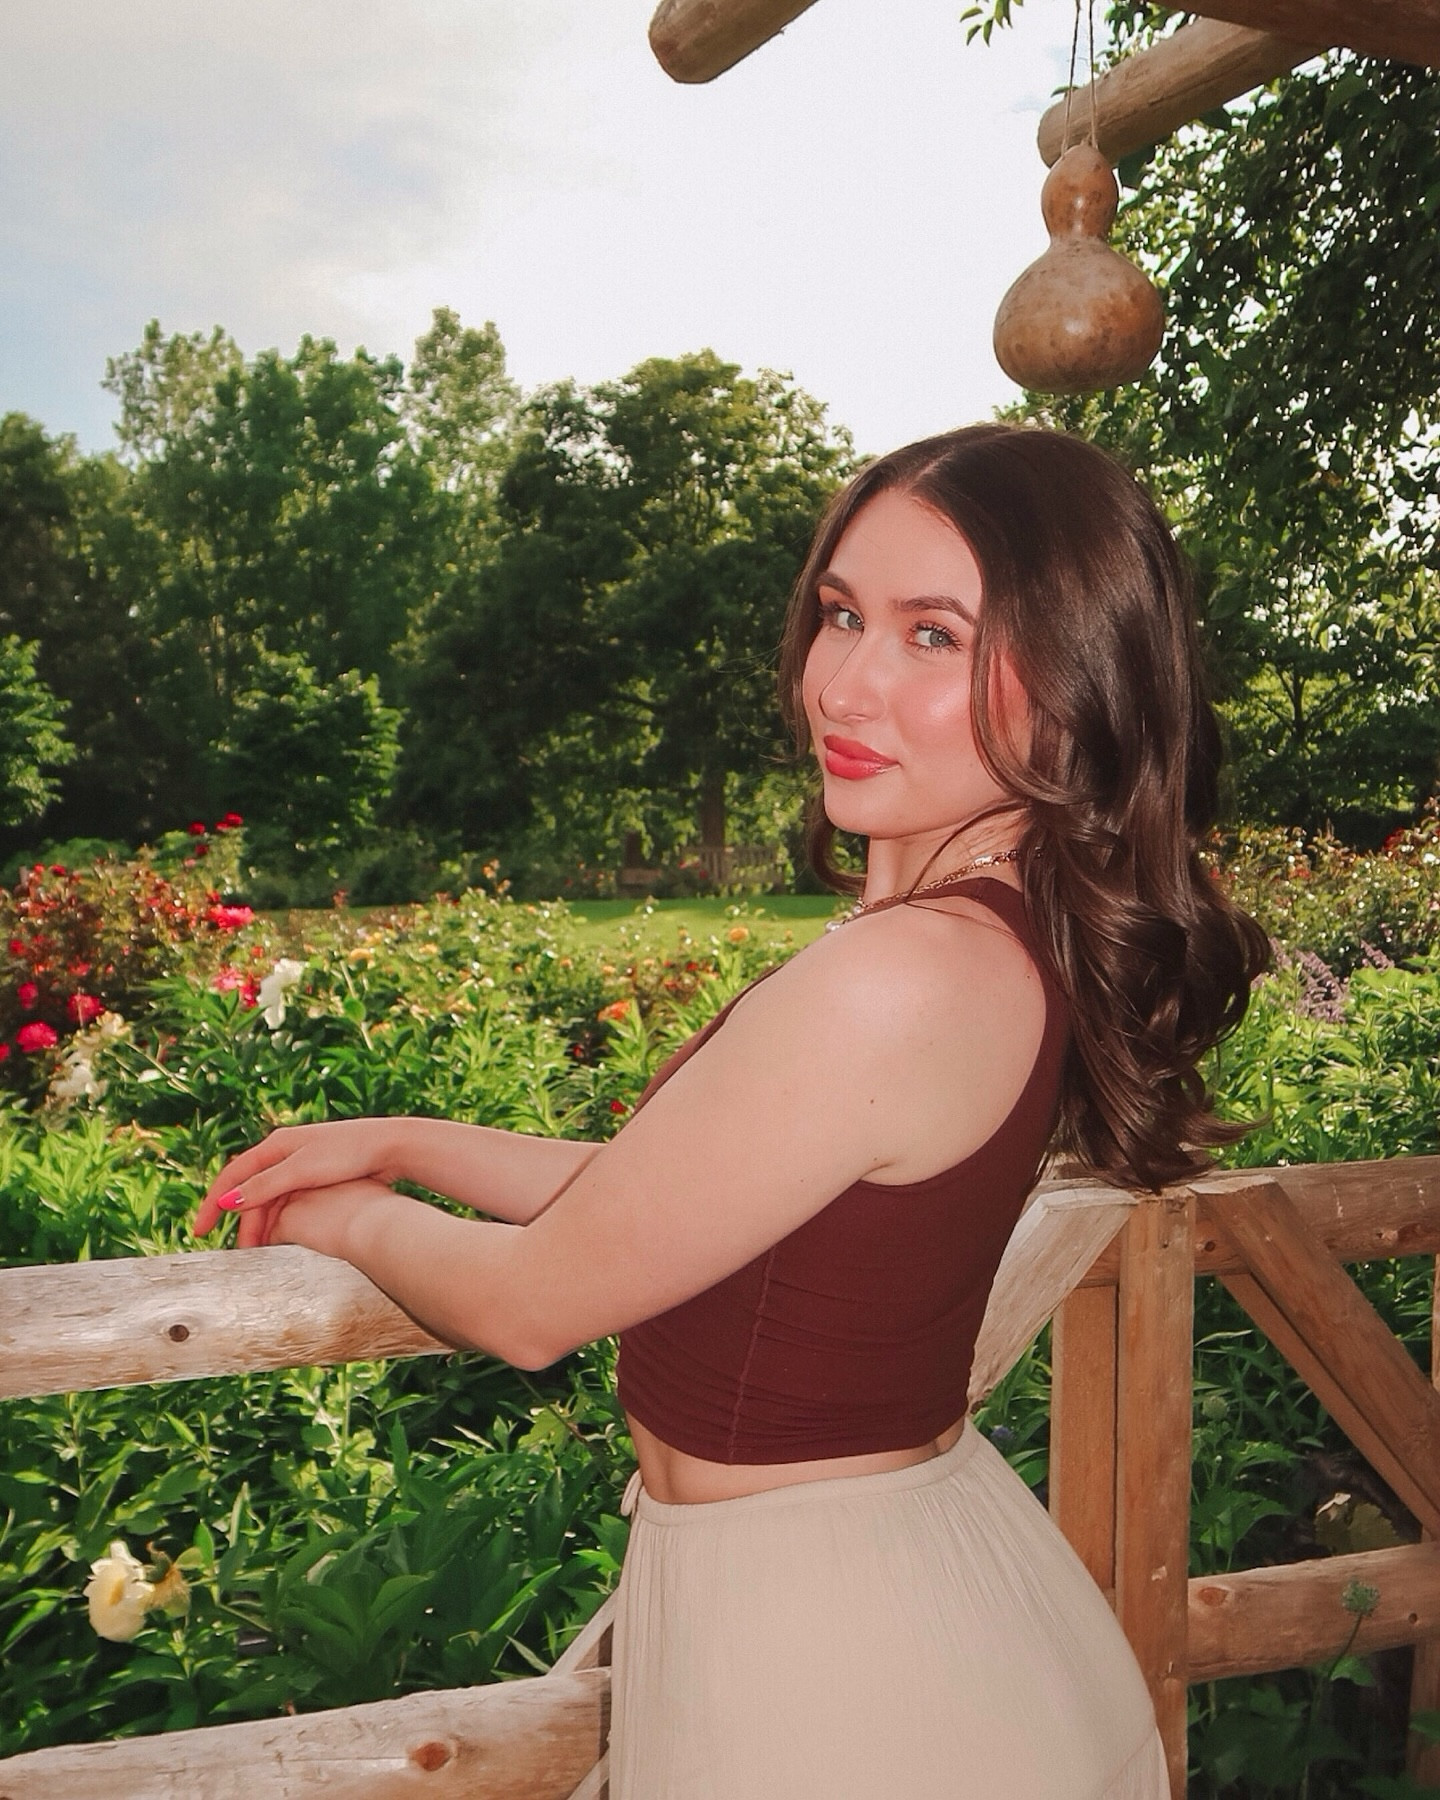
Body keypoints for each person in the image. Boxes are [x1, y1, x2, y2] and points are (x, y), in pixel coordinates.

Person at [195, 423, 1268, 1799]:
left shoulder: (906, 976)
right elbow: (683, 1192)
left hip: (836, 1672)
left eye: (933, 636)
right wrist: (409, 1140)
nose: (848, 682)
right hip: (888, 1600)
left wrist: (350, 1220)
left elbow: (533, 1304)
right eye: (842, 615)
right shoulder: (991, 939)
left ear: (1075, 681)